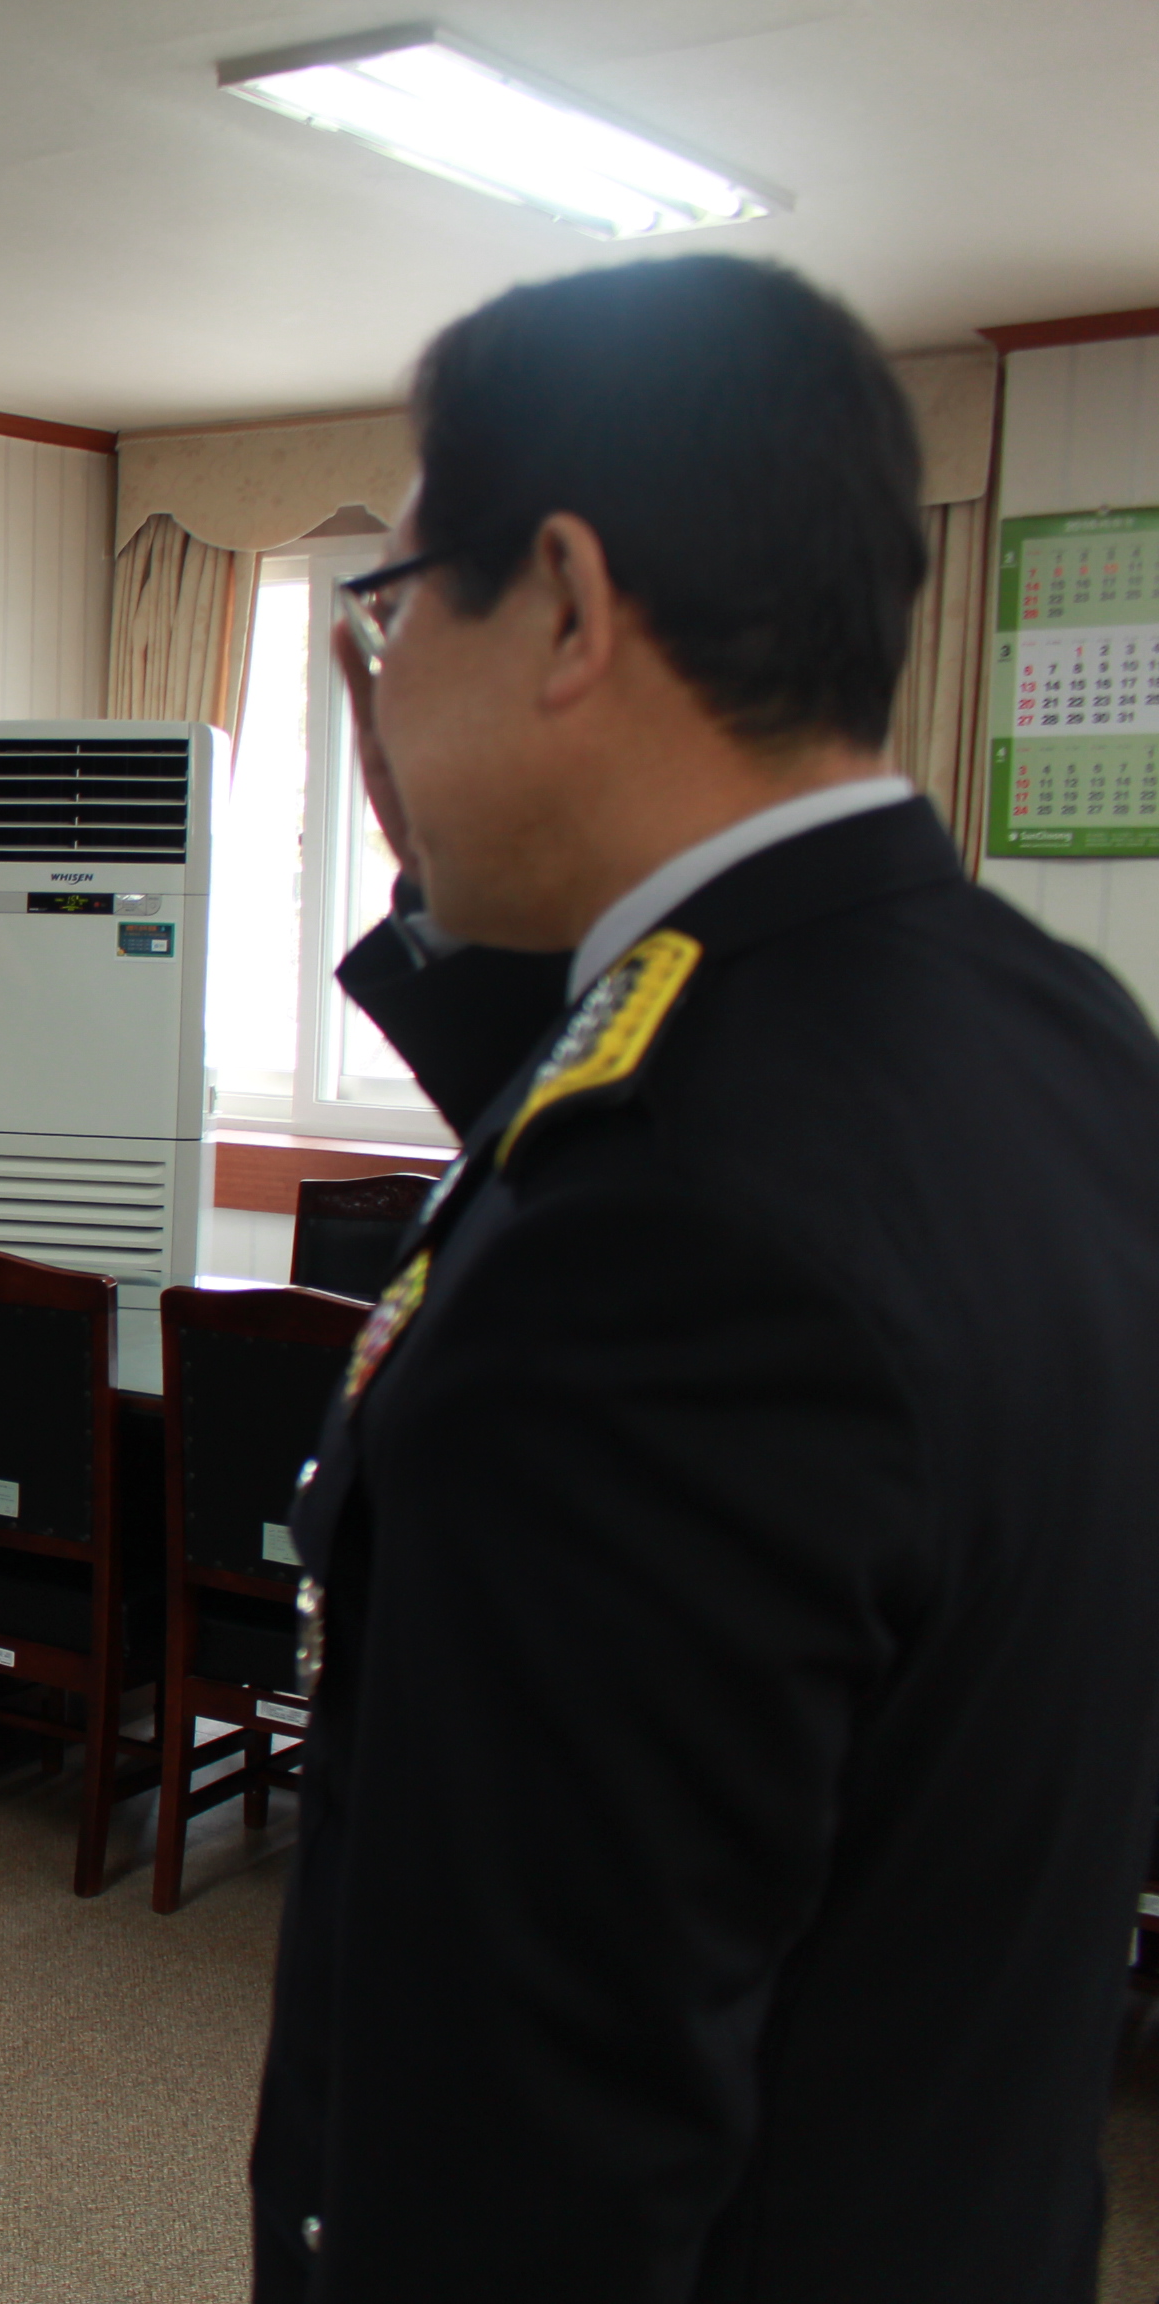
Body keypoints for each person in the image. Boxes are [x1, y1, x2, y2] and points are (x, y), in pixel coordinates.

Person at [250, 256, 1159, 2300]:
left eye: (401, 601)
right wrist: (445, 875)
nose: (383, 671)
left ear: (569, 603)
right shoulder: (1057, 1029)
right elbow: (670, 1107)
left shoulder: (655, 1257)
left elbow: (544, 2134)